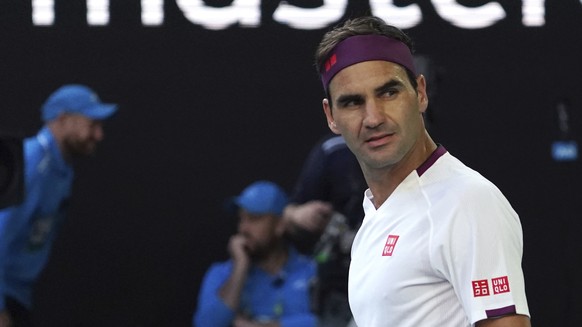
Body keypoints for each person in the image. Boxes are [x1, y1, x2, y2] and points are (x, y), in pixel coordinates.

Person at [313, 16, 531, 326]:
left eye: (389, 93)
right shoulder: (376, 213)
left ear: (420, 93)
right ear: (331, 116)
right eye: (352, 102)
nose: (373, 118)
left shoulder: (468, 201)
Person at [0, 84, 118, 327]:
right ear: (63, 120)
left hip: (18, 295)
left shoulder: (61, 169)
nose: (99, 135)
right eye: (92, 124)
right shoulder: (32, 164)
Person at [193, 180, 317, 327]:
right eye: (241, 219)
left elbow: (333, 321)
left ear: (280, 225)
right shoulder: (221, 273)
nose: (243, 228)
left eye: (254, 219)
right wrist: (239, 268)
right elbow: (206, 324)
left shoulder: (311, 271)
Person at [283, 132, 365, 327]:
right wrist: (297, 215)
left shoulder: (424, 160)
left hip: (392, 284)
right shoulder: (334, 151)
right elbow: (287, 215)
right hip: (338, 290)